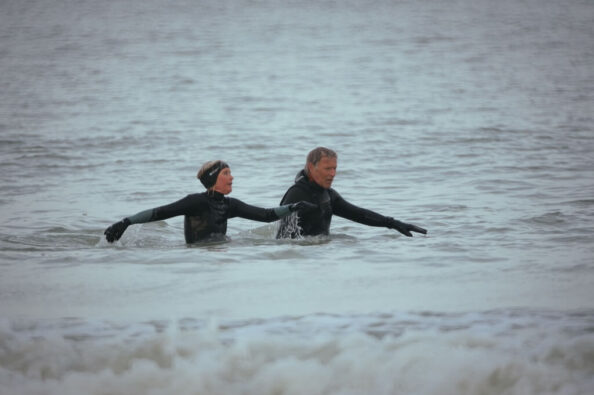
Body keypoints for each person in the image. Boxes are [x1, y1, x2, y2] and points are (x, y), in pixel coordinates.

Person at [104, 160, 316, 244]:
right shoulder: (195, 202)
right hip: (197, 257)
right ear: (214, 179)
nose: (232, 177)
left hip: (218, 255)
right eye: (226, 173)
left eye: (231, 172)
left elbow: (266, 215)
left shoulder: (230, 204)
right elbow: (159, 212)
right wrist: (126, 222)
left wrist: (293, 207)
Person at [276, 147, 427, 239]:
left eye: (335, 168)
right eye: (328, 169)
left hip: (319, 254)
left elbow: (359, 214)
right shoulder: (296, 195)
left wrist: (393, 223)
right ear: (311, 167)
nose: (333, 173)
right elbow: (283, 239)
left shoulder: (328, 195)